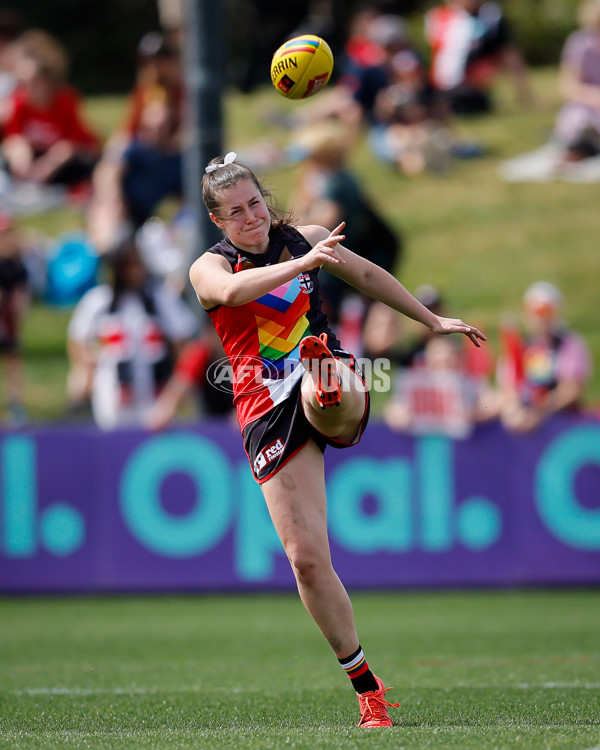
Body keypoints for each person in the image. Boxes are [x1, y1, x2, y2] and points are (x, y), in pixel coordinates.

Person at [189, 151, 486, 728]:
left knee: (324, 385)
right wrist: (305, 261)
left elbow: (369, 276)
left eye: (255, 203)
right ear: (218, 221)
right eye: (235, 212)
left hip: (329, 379)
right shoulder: (209, 269)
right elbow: (233, 294)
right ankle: (368, 688)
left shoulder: (307, 239)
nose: (250, 217)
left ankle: (324, 379)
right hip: (262, 407)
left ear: (264, 200)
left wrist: (431, 321)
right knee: (305, 561)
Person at [66, 234, 197, 430]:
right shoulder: (99, 300)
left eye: (137, 263)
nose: (135, 270)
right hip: (112, 389)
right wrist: (86, 370)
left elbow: (182, 339)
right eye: (128, 265)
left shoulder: (160, 297)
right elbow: (77, 337)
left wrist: (179, 387)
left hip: (156, 389)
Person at [1, 29, 101, 189]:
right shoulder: (19, 102)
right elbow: (14, 139)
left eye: (32, 83)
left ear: (47, 80)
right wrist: (19, 157)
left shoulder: (65, 100)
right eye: (22, 83)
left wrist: (47, 166)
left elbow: (71, 145)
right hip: (37, 159)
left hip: (66, 159)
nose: (26, 89)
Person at [498, 281, 592, 433]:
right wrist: (516, 411)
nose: (541, 318)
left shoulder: (569, 344)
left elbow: (572, 389)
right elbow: (508, 388)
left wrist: (540, 411)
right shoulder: (520, 347)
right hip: (527, 422)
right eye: (535, 311)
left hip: (562, 424)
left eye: (546, 311)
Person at [424, 0, 534, 115]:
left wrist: (523, 90)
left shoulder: (489, 16)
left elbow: (507, 52)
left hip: (471, 87)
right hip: (443, 88)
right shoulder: (441, 18)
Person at [553, 0, 600, 161]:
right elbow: (568, 86)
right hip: (587, 106)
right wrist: (594, 97)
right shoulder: (580, 43)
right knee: (579, 119)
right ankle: (583, 146)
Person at [0, 211, 28, 425]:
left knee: (12, 360)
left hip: (8, 320)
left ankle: (15, 403)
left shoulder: (16, 265)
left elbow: (22, 292)